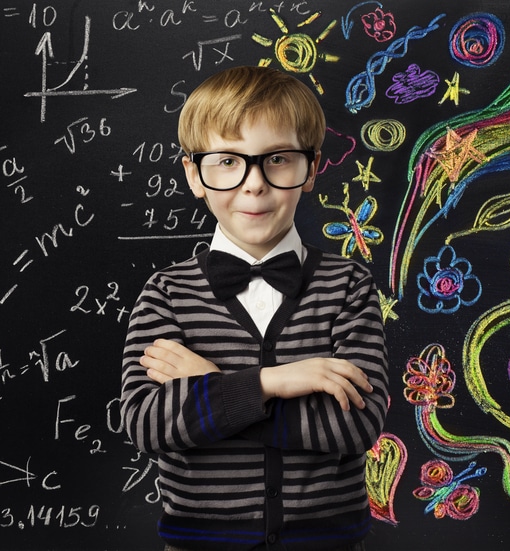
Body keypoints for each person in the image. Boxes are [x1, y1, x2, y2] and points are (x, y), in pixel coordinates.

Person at [120, 65, 390, 551]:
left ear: (310, 168)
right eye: (227, 160)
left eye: (278, 159)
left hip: (327, 542)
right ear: (193, 175)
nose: (253, 184)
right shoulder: (166, 293)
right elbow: (148, 423)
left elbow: (356, 424)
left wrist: (212, 388)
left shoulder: (348, 285)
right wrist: (275, 381)